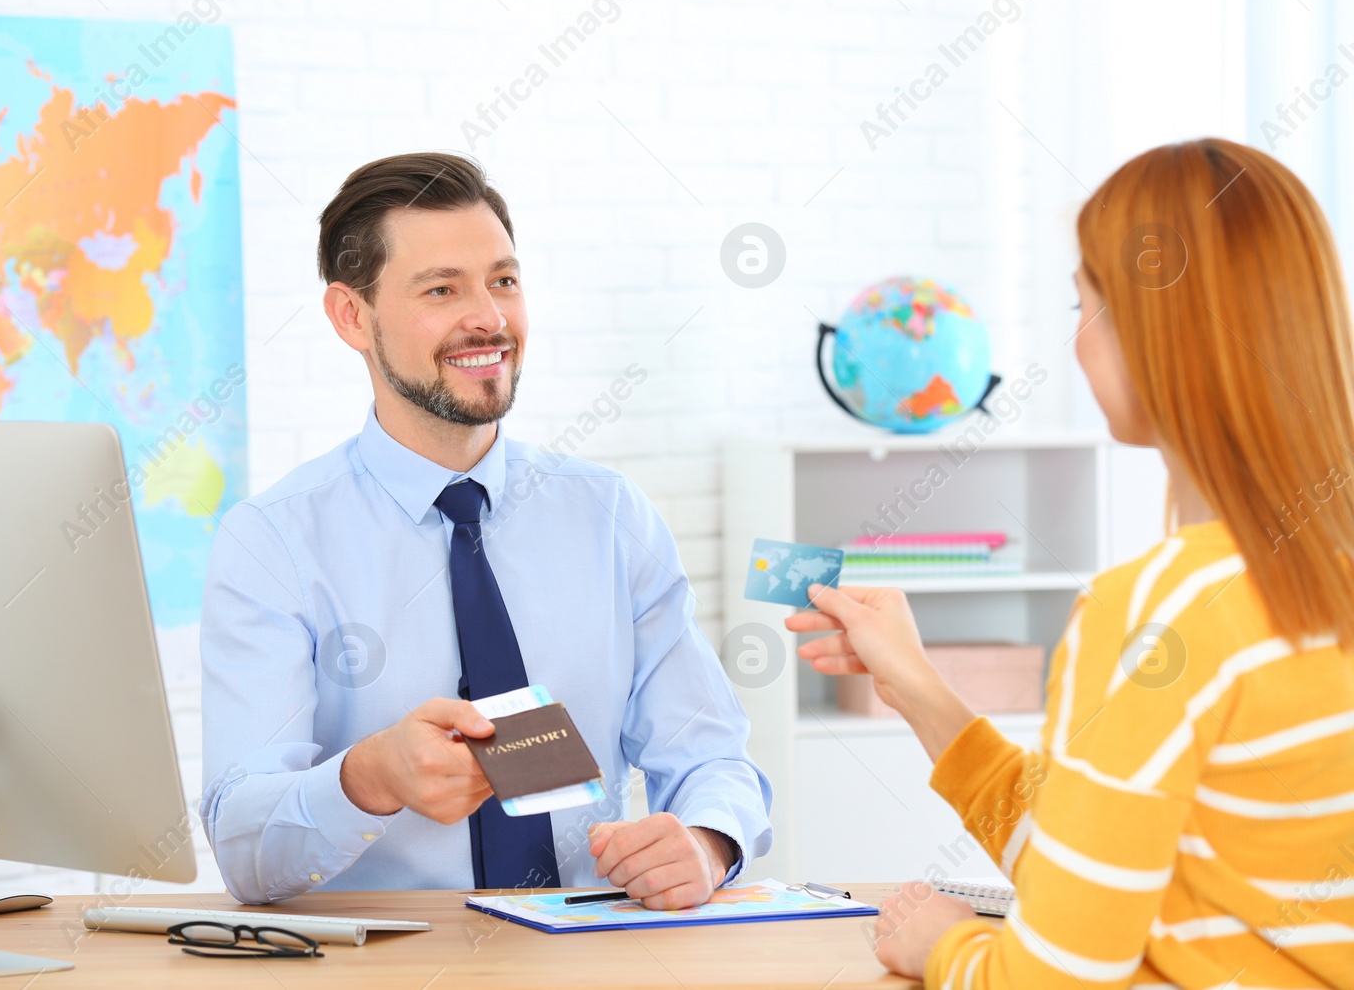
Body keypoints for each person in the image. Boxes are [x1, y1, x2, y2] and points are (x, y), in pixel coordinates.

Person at [790, 139, 1354, 989]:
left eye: (1085, 306)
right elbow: (1093, 867)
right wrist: (916, 686)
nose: (1080, 343)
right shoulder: (1305, 579)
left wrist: (944, 945)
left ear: (1158, 332)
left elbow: (1051, 979)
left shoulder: (1156, 610)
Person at [199, 152, 771, 907]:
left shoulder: (611, 517)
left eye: (503, 280)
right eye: (442, 289)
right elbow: (245, 849)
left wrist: (705, 841)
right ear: (351, 316)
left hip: (588, 955)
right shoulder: (272, 543)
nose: (491, 318)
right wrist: (369, 776)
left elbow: (710, 756)